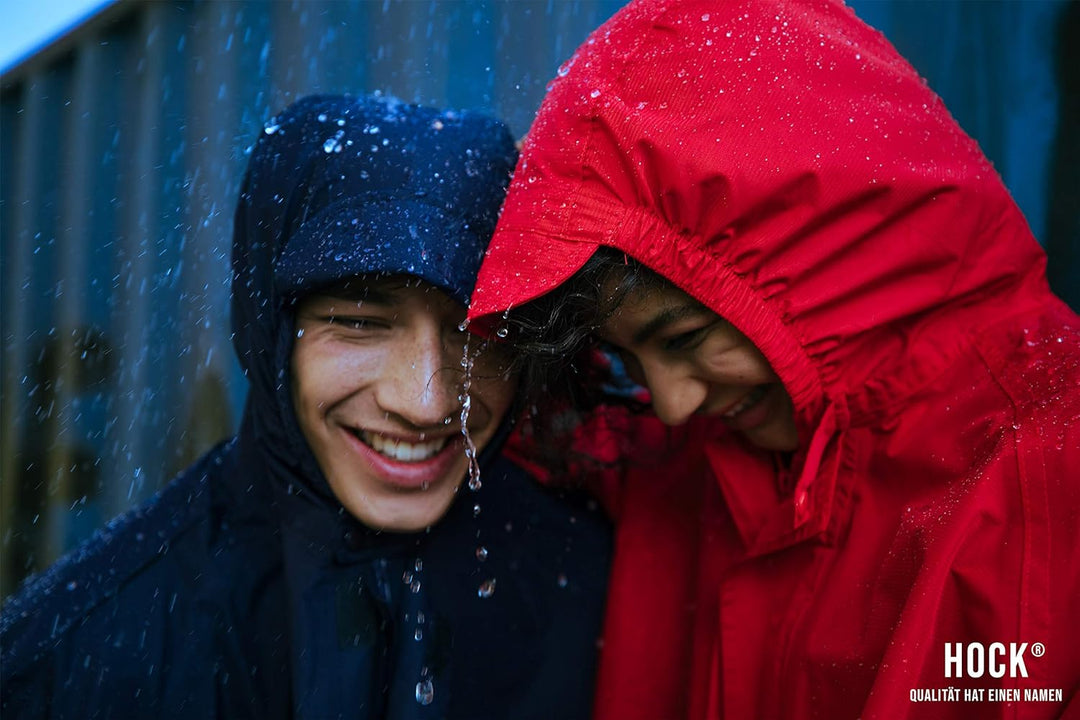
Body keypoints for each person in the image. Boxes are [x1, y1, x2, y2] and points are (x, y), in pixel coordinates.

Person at [466, 0, 1080, 718]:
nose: (671, 401)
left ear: (824, 259)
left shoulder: (1045, 472)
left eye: (687, 340)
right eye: (627, 358)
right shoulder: (682, 456)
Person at [1, 93, 611, 719]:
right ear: (270, 333)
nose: (426, 403)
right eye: (358, 323)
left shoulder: (594, 594)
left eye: (479, 332)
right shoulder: (80, 654)